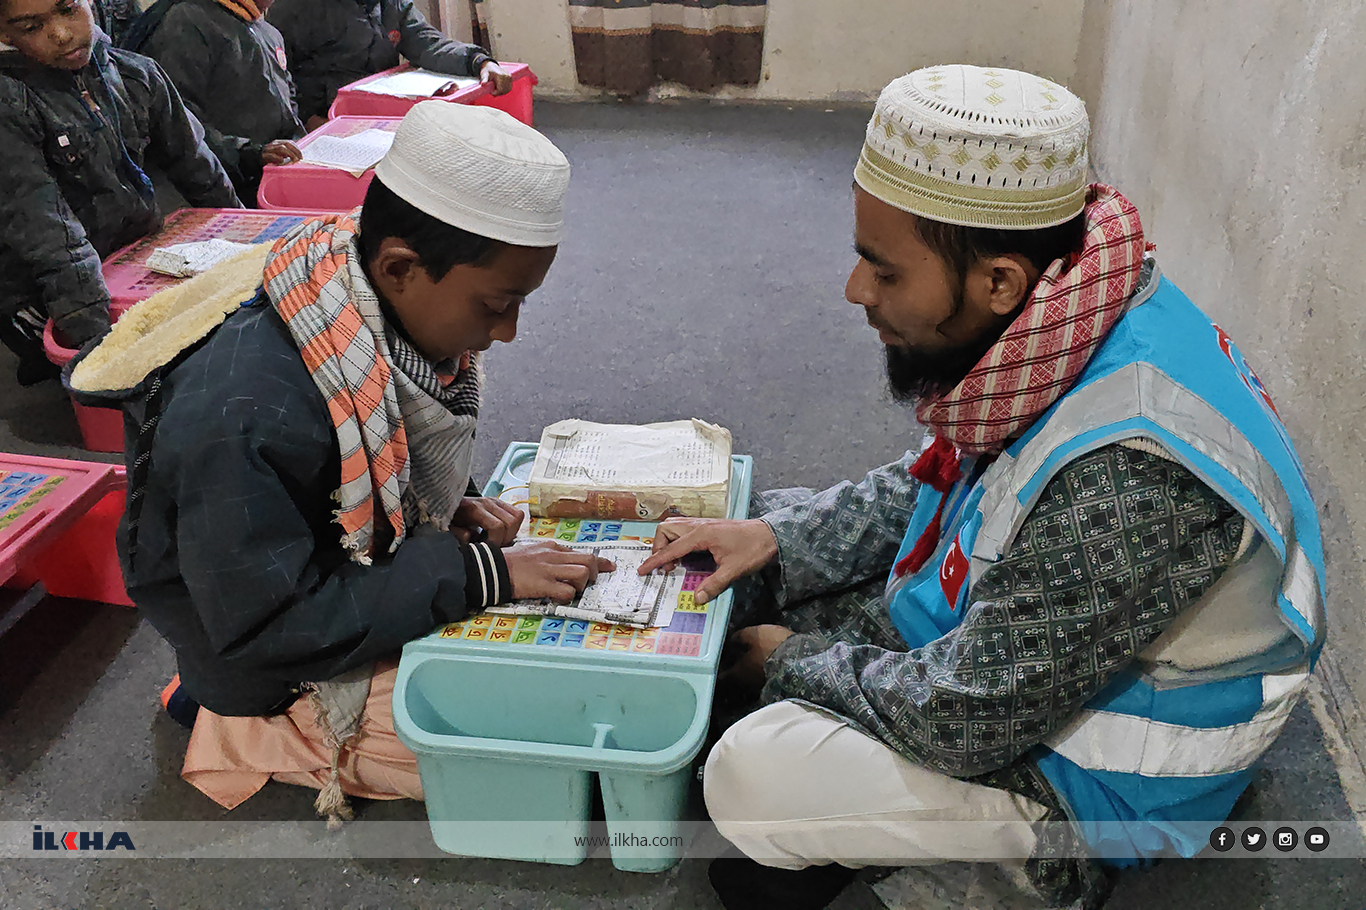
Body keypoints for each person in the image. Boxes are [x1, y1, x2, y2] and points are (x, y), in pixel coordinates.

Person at [639, 65, 1326, 910]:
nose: (856, 292)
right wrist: (778, 538)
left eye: (885, 272)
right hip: (1025, 654)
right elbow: (943, 482)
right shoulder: (1070, 309)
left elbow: (964, 716)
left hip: (1094, 783)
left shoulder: (1133, 473)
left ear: (999, 282)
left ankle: (1017, 873)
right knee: (759, 532)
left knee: (756, 774)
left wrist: (786, 662)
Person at [66, 101, 611, 821]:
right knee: (552, 745)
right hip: (264, 652)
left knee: (571, 702)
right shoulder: (242, 408)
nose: (508, 332)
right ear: (400, 267)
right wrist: (483, 575)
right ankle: (234, 723)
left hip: (290, 580)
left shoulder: (344, 288)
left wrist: (442, 505)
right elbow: (266, 624)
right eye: (496, 305)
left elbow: (365, 452)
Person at [0, 0, 239, 384]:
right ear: (5, 34)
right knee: (92, 370)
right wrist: (102, 346)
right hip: (40, 283)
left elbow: (199, 168)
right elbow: (47, 234)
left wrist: (251, 252)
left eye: (68, 9)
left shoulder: (136, 74)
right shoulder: (11, 104)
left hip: (126, 253)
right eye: (31, 27)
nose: (60, 34)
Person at [136, 0, 306, 203]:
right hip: (215, 190)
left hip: (274, 179)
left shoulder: (268, 32)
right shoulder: (188, 21)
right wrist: (249, 154)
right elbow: (177, 121)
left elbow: (288, 98)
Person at [266, 0, 514, 127]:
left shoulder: (390, 4)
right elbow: (275, 77)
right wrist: (307, 120)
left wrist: (479, 61)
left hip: (380, 115)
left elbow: (427, 42)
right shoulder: (297, 8)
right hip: (324, 120)